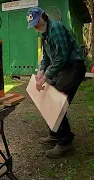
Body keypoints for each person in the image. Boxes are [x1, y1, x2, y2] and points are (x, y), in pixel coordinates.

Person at [26, 7, 86, 158]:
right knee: (46, 96)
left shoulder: (56, 29)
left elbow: (61, 57)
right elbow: (46, 56)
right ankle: (54, 134)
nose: (35, 26)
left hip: (73, 68)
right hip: (63, 69)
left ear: (43, 17)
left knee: (54, 101)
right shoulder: (45, 34)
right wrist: (40, 71)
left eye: (36, 22)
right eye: (33, 24)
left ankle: (65, 142)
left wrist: (45, 77)